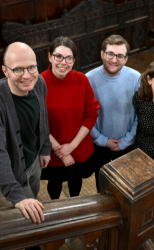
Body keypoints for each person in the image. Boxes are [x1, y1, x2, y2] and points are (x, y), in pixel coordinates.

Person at [40, 36, 100, 199]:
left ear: (74, 60)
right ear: (50, 56)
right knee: (55, 185)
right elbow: (37, 123)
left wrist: (72, 146)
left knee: (76, 182)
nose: (63, 62)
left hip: (79, 145)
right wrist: (61, 152)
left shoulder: (82, 79)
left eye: (69, 58)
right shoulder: (38, 84)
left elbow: (91, 114)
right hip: (53, 149)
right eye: (58, 56)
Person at [1, 42, 51, 224]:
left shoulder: (39, 83)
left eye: (31, 67)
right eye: (18, 70)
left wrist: (45, 148)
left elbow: (43, 116)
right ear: (5, 71)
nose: (27, 76)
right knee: (30, 215)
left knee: (35, 192)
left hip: (35, 160)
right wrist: (17, 196)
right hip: (14, 171)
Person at [86, 35, 140, 191]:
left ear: (126, 59)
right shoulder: (88, 79)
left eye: (120, 56)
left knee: (126, 185)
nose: (114, 60)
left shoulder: (136, 78)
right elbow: (85, 115)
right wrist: (102, 140)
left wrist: (127, 140)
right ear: (102, 54)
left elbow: (140, 114)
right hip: (99, 144)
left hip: (127, 143)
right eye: (110, 54)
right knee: (102, 185)